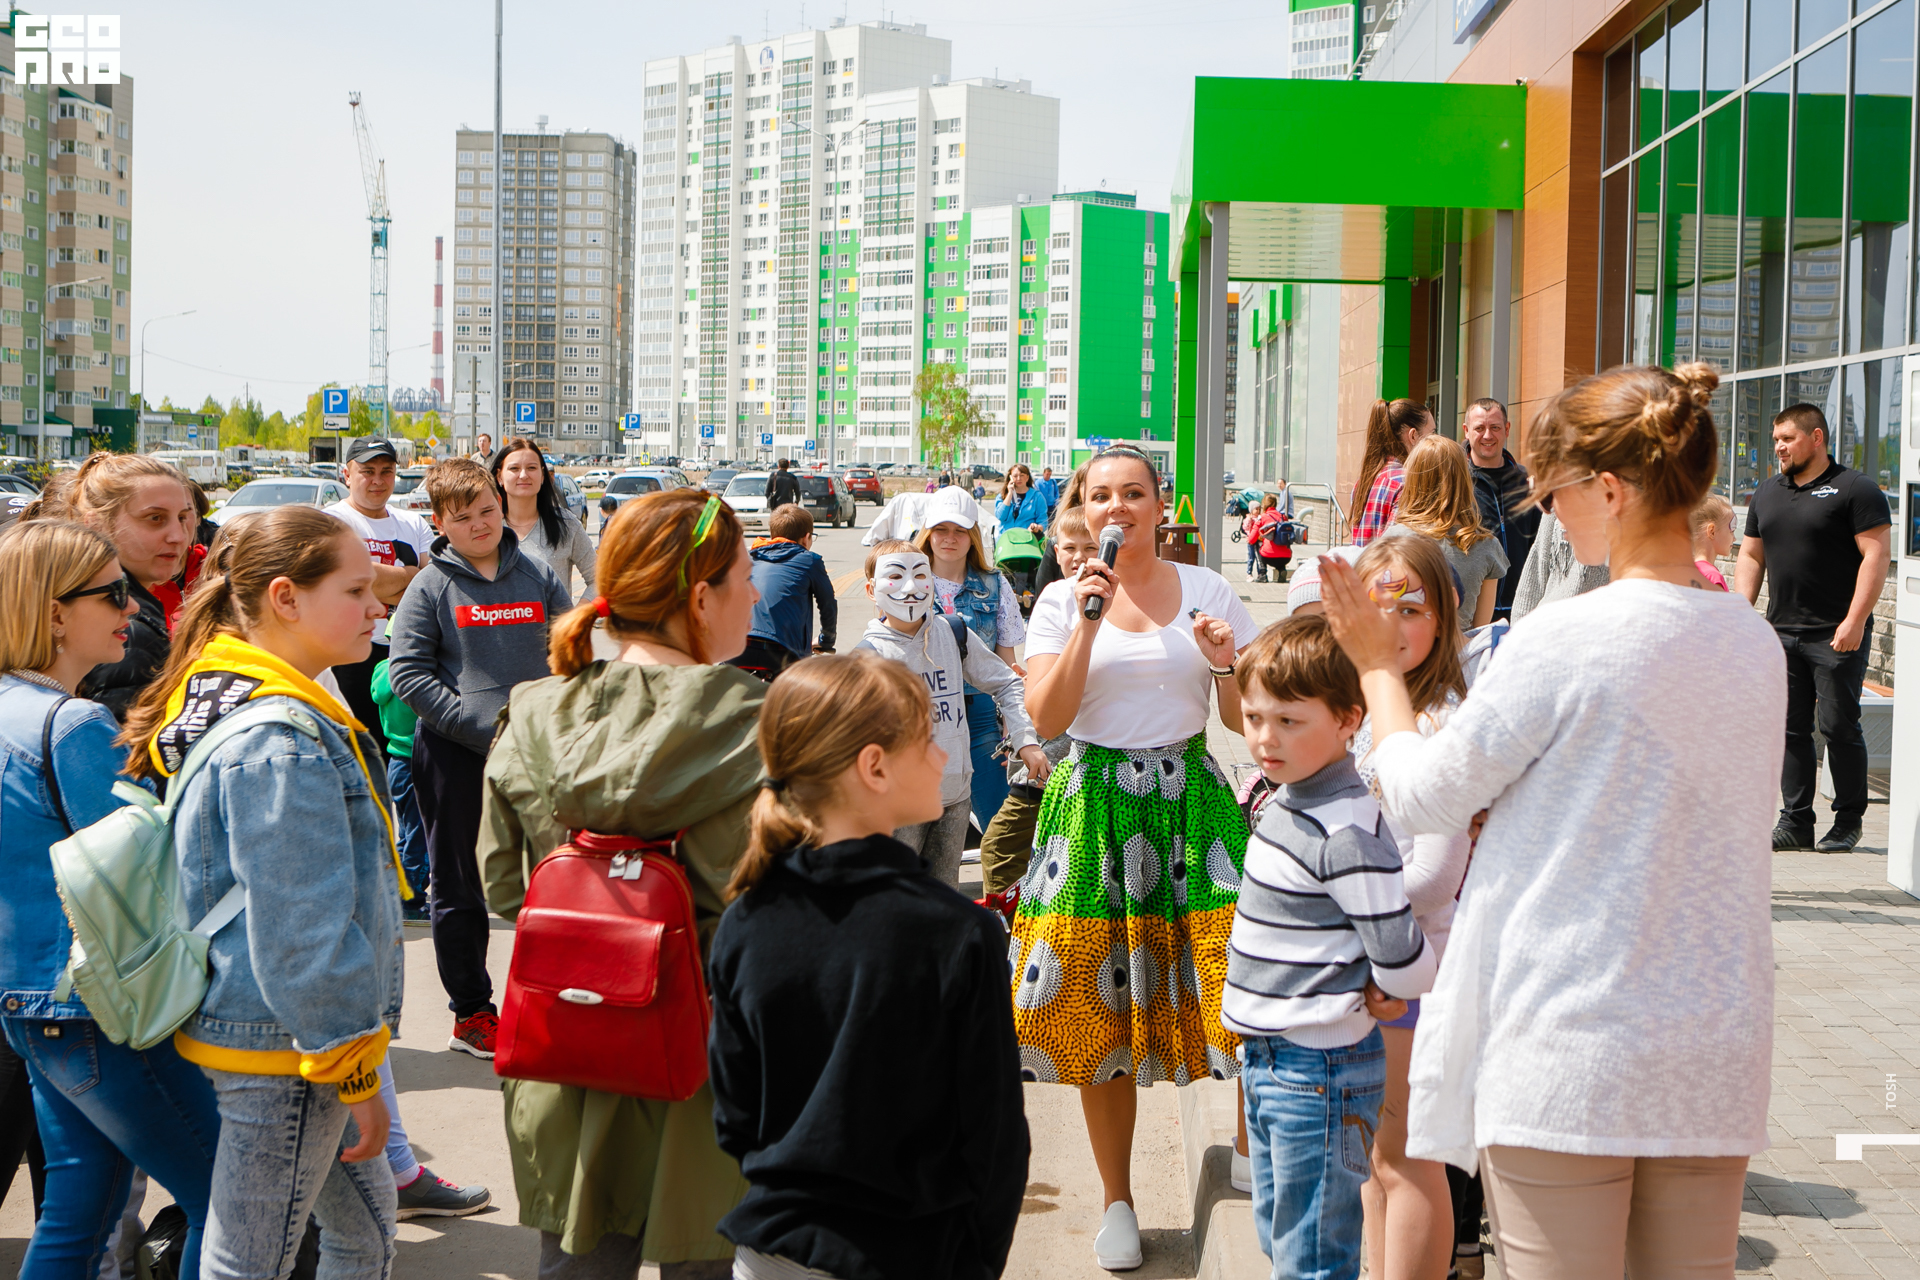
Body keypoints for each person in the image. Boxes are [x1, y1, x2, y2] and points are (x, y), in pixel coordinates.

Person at [1321, 362, 1784, 1275]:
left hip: (1570, 1034)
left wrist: (1375, 666)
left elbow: (1421, 793)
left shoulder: (1561, 638)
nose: (1548, 514)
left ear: (1610, 490)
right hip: (1714, 1033)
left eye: (1555, 492)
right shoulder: (1753, 640)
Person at [480, 489, 762, 1279]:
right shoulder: (761, 722)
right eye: (745, 576)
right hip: (711, 1059)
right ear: (700, 598)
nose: (755, 594)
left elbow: (503, 888)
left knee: (576, 1258)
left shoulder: (533, 711)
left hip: (569, 1041)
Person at [122, 506, 409, 1280]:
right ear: (286, 598)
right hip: (287, 1049)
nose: (377, 607)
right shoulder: (279, 738)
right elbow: (300, 930)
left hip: (287, 1036)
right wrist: (352, 1065)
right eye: (356, 590)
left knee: (364, 1232)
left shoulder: (234, 696)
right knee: (248, 1261)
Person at [1012, 445, 1258, 1271]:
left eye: (1133, 493)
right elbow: (1048, 716)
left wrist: (1226, 663)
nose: (1116, 507)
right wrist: (1088, 621)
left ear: (1160, 505)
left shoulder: (1209, 589)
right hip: (1095, 807)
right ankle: (1117, 1201)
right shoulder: (1061, 599)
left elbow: (1242, 717)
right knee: (1098, 1007)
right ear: (1082, 509)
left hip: (1192, 800)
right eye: (1100, 495)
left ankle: (1250, 1147)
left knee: (1240, 975)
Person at [707, 653, 1029, 1280]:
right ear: (874, 766)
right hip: (912, 1253)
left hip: (771, 1255)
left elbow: (734, 1113)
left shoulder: (746, 918)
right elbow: (994, 1140)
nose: (942, 754)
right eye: (926, 739)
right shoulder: (956, 932)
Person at [0, 519, 220, 1280]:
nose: (132, 607)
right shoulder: (71, 724)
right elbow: (149, 869)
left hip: (33, 1001)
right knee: (230, 1198)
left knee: (81, 1207)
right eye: (111, 593)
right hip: (101, 1004)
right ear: (53, 613)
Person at [1225, 614, 1437, 1280]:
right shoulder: (1291, 800)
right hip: (1274, 1062)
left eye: (1289, 721)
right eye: (1255, 718)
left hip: (1317, 1071)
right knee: (1287, 1241)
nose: (1266, 737)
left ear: (1349, 720)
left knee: (1312, 1258)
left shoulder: (1345, 828)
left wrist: (1385, 982)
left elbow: (1404, 957)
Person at [388, 458, 573, 1059]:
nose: (481, 525)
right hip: (455, 756)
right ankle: (471, 1013)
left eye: (488, 511)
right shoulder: (429, 586)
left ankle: (547, 999)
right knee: (459, 887)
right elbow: (407, 673)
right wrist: (480, 727)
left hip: (536, 751)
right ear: (439, 523)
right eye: (463, 518)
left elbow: (569, 649)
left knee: (551, 877)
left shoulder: (537, 574)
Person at [1343, 536, 1473, 1280]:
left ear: (1443, 618)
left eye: (1411, 608)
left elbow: (1434, 875)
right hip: (1365, 969)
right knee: (1372, 1158)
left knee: (1406, 1159)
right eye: (1375, 606)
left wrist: (1343, 909)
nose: (1390, 623)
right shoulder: (1356, 715)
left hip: (1413, 975)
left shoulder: (1440, 724)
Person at [1736, 402, 1892, 854]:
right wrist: (1740, 613)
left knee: (1838, 725)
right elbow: (1751, 554)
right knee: (1790, 728)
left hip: (1836, 632)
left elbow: (1876, 555)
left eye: (1788, 438)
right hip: (1781, 633)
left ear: (1817, 438)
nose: (1779, 448)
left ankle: (1848, 820)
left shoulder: (1856, 489)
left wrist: (1855, 620)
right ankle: (1796, 821)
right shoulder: (1766, 492)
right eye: (1776, 440)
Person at [854, 540, 1043, 884]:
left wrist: (1024, 738)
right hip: (899, 805)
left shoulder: (954, 634)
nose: (910, 588)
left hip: (955, 795)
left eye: (919, 575)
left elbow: (1007, 683)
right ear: (871, 589)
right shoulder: (867, 657)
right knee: (898, 896)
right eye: (895, 576)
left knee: (944, 893)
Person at [977, 506, 1094, 902]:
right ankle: (1011, 920)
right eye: (1070, 548)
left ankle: (1014, 920)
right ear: (1055, 552)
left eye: (1090, 548)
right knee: (1003, 847)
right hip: (1045, 754)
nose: (1078, 557)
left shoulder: (1107, 602)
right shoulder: (1054, 599)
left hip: (1067, 760)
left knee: (1004, 846)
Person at [37, 452, 196, 721]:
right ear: (96, 524)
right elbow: (121, 740)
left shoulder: (111, 606)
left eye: (182, 517)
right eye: (155, 518)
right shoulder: (125, 628)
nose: (178, 536)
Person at [914, 487, 1030, 830]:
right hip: (924, 716)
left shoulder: (996, 585)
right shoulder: (907, 581)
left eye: (960, 530)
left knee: (1000, 824)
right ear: (927, 532)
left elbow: (1006, 664)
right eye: (941, 529)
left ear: (973, 535)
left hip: (981, 719)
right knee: (920, 827)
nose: (950, 538)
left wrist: (1013, 725)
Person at [326, 436, 434, 732]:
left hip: (407, 650)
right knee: (358, 739)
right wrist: (410, 574)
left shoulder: (414, 523)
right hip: (349, 654)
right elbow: (342, 580)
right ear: (347, 475)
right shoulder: (330, 521)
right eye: (367, 471)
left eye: (386, 471)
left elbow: (430, 588)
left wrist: (367, 582)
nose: (378, 480)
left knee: (403, 744)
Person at [1380, 436, 1509, 630]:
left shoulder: (1393, 539)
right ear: (1464, 480)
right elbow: (1480, 629)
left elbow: (1382, 610)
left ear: (1414, 479)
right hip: (1461, 647)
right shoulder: (1487, 545)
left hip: (1405, 643)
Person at [730, 503, 837, 682]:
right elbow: (828, 605)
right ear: (806, 538)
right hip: (783, 651)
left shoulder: (751, 557)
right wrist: (826, 640)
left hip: (740, 645)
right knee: (794, 695)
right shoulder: (810, 560)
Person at [492, 435, 596, 602]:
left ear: (542, 475)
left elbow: (599, 580)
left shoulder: (566, 524)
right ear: (499, 477)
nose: (523, 475)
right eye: (514, 468)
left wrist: (577, 614)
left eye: (532, 468)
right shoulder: (486, 526)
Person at [1463, 398, 1540, 622]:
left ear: (1507, 429)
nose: (1488, 435)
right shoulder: (1455, 482)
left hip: (1521, 611)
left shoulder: (1526, 483)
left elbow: (1538, 545)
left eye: (1495, 428)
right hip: (1470, 613)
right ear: (1466, 431)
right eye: (1480, 428)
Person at [371, 656, 431, 919]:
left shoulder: (382, 669)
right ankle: (412, 903)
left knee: (406, 836)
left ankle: (397, 895)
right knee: (420, 838)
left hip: (396, 761)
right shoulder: (419, 669)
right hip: (420, 758)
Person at [1349, 399, 1435, 547]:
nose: (1435, 440)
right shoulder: (1408, 482)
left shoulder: (1364, 481)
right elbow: (1396, 546)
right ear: (1413, 436)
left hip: (1362, 561)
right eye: (1432, 433)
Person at [1690, 493, 1735, 592]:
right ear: (1712, 531)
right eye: (1732, 530)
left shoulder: (1688, 571)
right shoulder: (1712, 576)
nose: (1734, 538)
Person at [996, 463, 1048, 536]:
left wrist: (1037, 528)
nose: (1018, 479)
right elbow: (1001, 516)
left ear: (1027, 477)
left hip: (1026, 538)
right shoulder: (1002, 496)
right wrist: (1010, 494)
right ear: (1010, 478)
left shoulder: (1037, 496)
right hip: (1006, 538)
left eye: (1022, 475)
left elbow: (1043, 521)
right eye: (1015, 476)